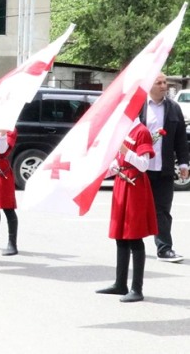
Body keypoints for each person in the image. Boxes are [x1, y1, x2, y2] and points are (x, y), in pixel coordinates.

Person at [96, 122, 157, 303]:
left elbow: (144, 165)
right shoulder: (121, 129)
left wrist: (125, 151)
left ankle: (137, 288)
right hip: (122, 183)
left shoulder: (142, 132)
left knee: (134, 237)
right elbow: (118, 162)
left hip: (135, 185)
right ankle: (120, 283)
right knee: (120, 236)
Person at [139, 73, 189, 263]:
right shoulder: (139, 107)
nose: (164, 86)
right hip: (141, 169)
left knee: (162, 210)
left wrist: (184, 163)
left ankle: (164, 248)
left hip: (164, 169)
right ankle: (132, 245)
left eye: (165, 82)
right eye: (158, 83)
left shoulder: (173, 108)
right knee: (137, 209)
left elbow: (180, 140)